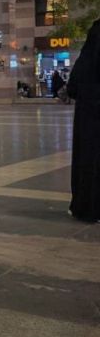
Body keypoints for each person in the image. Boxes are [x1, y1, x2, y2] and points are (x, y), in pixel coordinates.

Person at [67, 18, 100, 222]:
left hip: (89, 114)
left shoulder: (87, 57)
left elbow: (73, 87)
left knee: (88, 160)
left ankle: (86, 206)